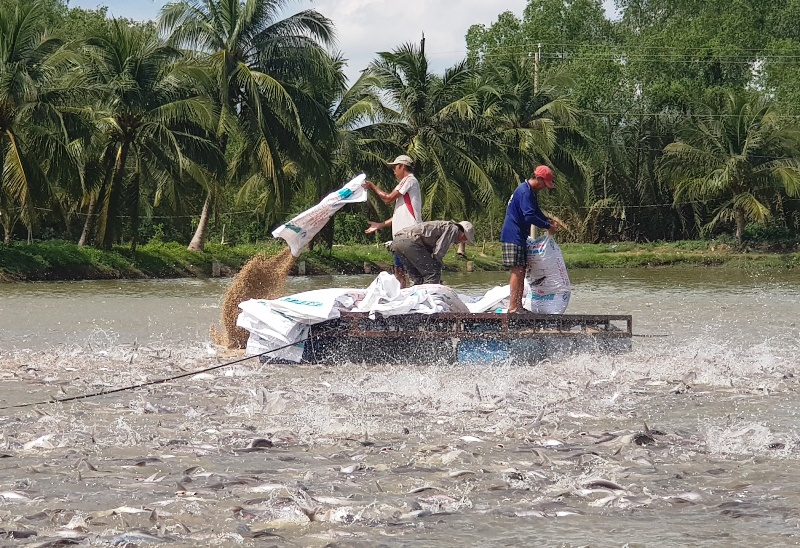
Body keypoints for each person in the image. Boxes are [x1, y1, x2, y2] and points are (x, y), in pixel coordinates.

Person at [500, 165, 559, 314]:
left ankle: (518, 306)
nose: (544, 188)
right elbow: (529, 216)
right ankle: (513, 307)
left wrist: (548, 221)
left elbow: (536, 211)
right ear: (538, 179)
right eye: (544, 184)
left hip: (519, 236)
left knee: (521, 269)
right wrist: (547, 226)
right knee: (517, 270)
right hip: (513, 235)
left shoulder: (530, 192)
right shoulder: (525, 191)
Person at [363, 155, 423, 288]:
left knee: (411, 271)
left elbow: (388, 198)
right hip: (401, 237)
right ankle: (402, 297)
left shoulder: (408, 180)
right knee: (399, 271)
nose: (394, 171)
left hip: (409, 235)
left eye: (395, 167)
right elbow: (398, 215)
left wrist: (372, 186)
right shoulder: (408, 184)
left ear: (402, 166)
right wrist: (380, 225)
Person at [392, 221, 475, 285]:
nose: (462, 242)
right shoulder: (453, 229)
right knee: (433, 273)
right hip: (409, 242)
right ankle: (430, 298)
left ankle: (417, 298)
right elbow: (439, 251)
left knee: (417, 276)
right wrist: (438, 269)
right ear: (463, 234)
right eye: (464, 239)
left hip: (397, 242)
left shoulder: (445, 227)